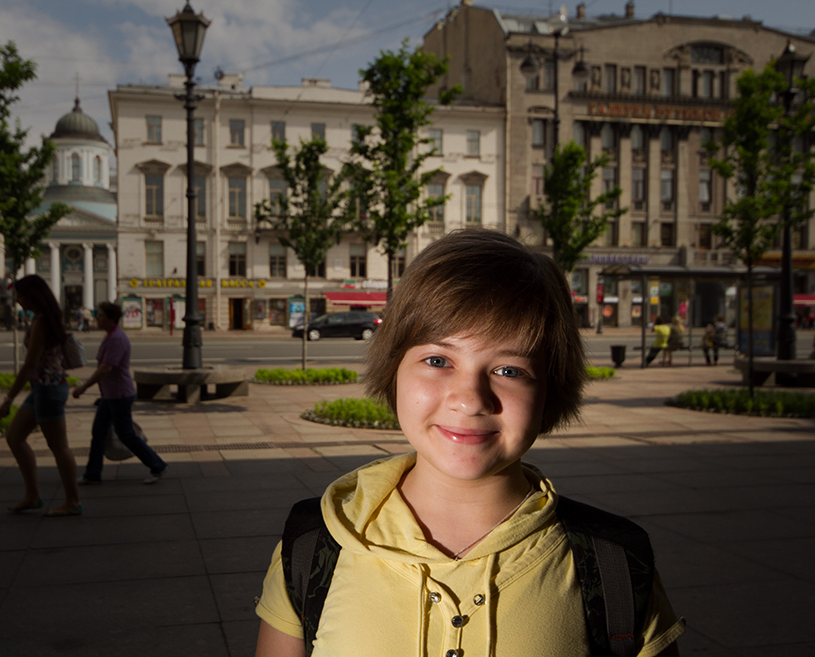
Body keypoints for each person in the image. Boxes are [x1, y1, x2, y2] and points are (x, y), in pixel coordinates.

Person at [253, 229, 683, 657]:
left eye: (509, 370)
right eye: (438, 360)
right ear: (393, 370)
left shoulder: (613, 565)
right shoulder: (316, 545)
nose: (471, 399)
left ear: (550, 388)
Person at [0, 274, 81, 517]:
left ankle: (73, 501)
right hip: (43, 388)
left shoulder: (42, 322)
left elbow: (30, 363)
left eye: (21, 295)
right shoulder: (41, 319)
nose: (18, 300)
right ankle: (33, 495)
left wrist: (9, 398)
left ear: (33, 295)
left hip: (48, 389)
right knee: (14, 437)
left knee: (59, 447)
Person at [73, 301, 168, 485]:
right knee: (99, 432)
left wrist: (83, 388)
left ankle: (158, 465)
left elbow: (106, 368)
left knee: (125, 434)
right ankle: (92, 474)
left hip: (120, 395)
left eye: (100, 315)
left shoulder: (116, 338)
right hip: (110, 395)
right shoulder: (110, 336)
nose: (96, 318)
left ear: (110, 318)